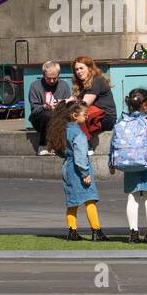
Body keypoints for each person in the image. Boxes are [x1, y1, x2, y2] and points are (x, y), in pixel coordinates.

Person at [109, 88, 147, 243]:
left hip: (129, 164)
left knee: (132, 197)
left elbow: (113, 142)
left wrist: (111, 162)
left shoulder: (123, 121)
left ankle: (133, 233)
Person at [48, 101, 105, 241]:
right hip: (78, 169)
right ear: (74, 116)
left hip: (67, 167)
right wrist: (85, 173)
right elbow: (80, 156)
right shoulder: (79, 133)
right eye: (84, 114)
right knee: (89, 199)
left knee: (72, 201)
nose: (86, 117)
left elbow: (60, 151)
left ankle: (72, 231)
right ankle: (96, 231)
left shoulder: (61, 130)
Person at [28, 61, 72, 155]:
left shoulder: (64, 86)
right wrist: (45, 106)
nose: (52, 81)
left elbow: (69, 107)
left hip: (59, 118)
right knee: (47, 115)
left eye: (55, 78)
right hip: (40, 119)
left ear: (59, 75)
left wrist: (61, 105)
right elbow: (34, 109)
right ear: (43, 75)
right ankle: (43, 145)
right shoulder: (35, 86)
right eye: (49, 78)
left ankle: (62, 147)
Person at [72, 56, 117, 143]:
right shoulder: (81, 84)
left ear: (89, 68)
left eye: (81, 68)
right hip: (93, 115)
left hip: (106, 117)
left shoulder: (96, 80)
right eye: (76, 69)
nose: (79, 71)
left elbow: (84, 104)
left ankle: (85, 145)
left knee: (78, 116)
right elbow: (72, 99)